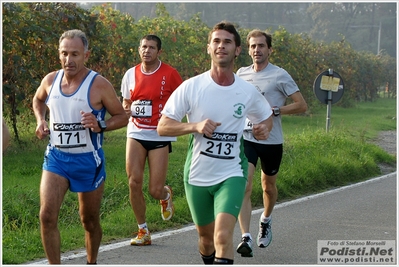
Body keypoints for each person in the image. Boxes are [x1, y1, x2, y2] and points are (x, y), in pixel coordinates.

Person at [157, 21, 273, 264]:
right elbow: (163, 126)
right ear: (208, 48)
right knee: (206, 240)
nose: (221, 46)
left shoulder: (246, 91)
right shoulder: (192, 87)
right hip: (197, 173)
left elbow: (265, 117)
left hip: (232, 172)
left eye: (227, 42)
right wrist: (194, 126)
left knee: (223, 236)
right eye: (217, 41)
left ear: (238, 50)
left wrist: (264, 128)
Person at [32, 29, 128, 264]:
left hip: (88, 161)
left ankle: (91, 261)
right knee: (46, 216)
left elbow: (122, 116)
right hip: (56, 158)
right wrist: (41, 120)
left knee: (89, 220)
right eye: (64, 53)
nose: (69, 60)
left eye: (74, 54)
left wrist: (100, 124)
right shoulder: (50, 80)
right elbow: (38, 99)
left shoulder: (99, 84)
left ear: (86, 54)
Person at [235, 29, 308, 257]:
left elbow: (301, 105)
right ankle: (245, 237)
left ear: (269, 50)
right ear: (248, 50)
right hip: (247, 138)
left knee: (268, 186)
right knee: (245, 184)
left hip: (272, 141)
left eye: (261, 46)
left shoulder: (280, 75)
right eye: (253, 46)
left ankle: (265, 219)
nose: (257, 50)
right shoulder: (241, 73)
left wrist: (276, 109)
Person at [121, 34, 183, 246]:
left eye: (151, 48)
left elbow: (183, 99)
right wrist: (126, 108)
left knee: (154, 190)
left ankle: (165, 195)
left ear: (159, 52)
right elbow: (126, 101)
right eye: (143, 46)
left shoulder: (170, 74)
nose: (146, 51)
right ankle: (143, 231)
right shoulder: (130, 74)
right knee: (133, 182)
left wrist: (173, 118)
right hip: (136, 132)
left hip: (159, 134)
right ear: (139, 49)